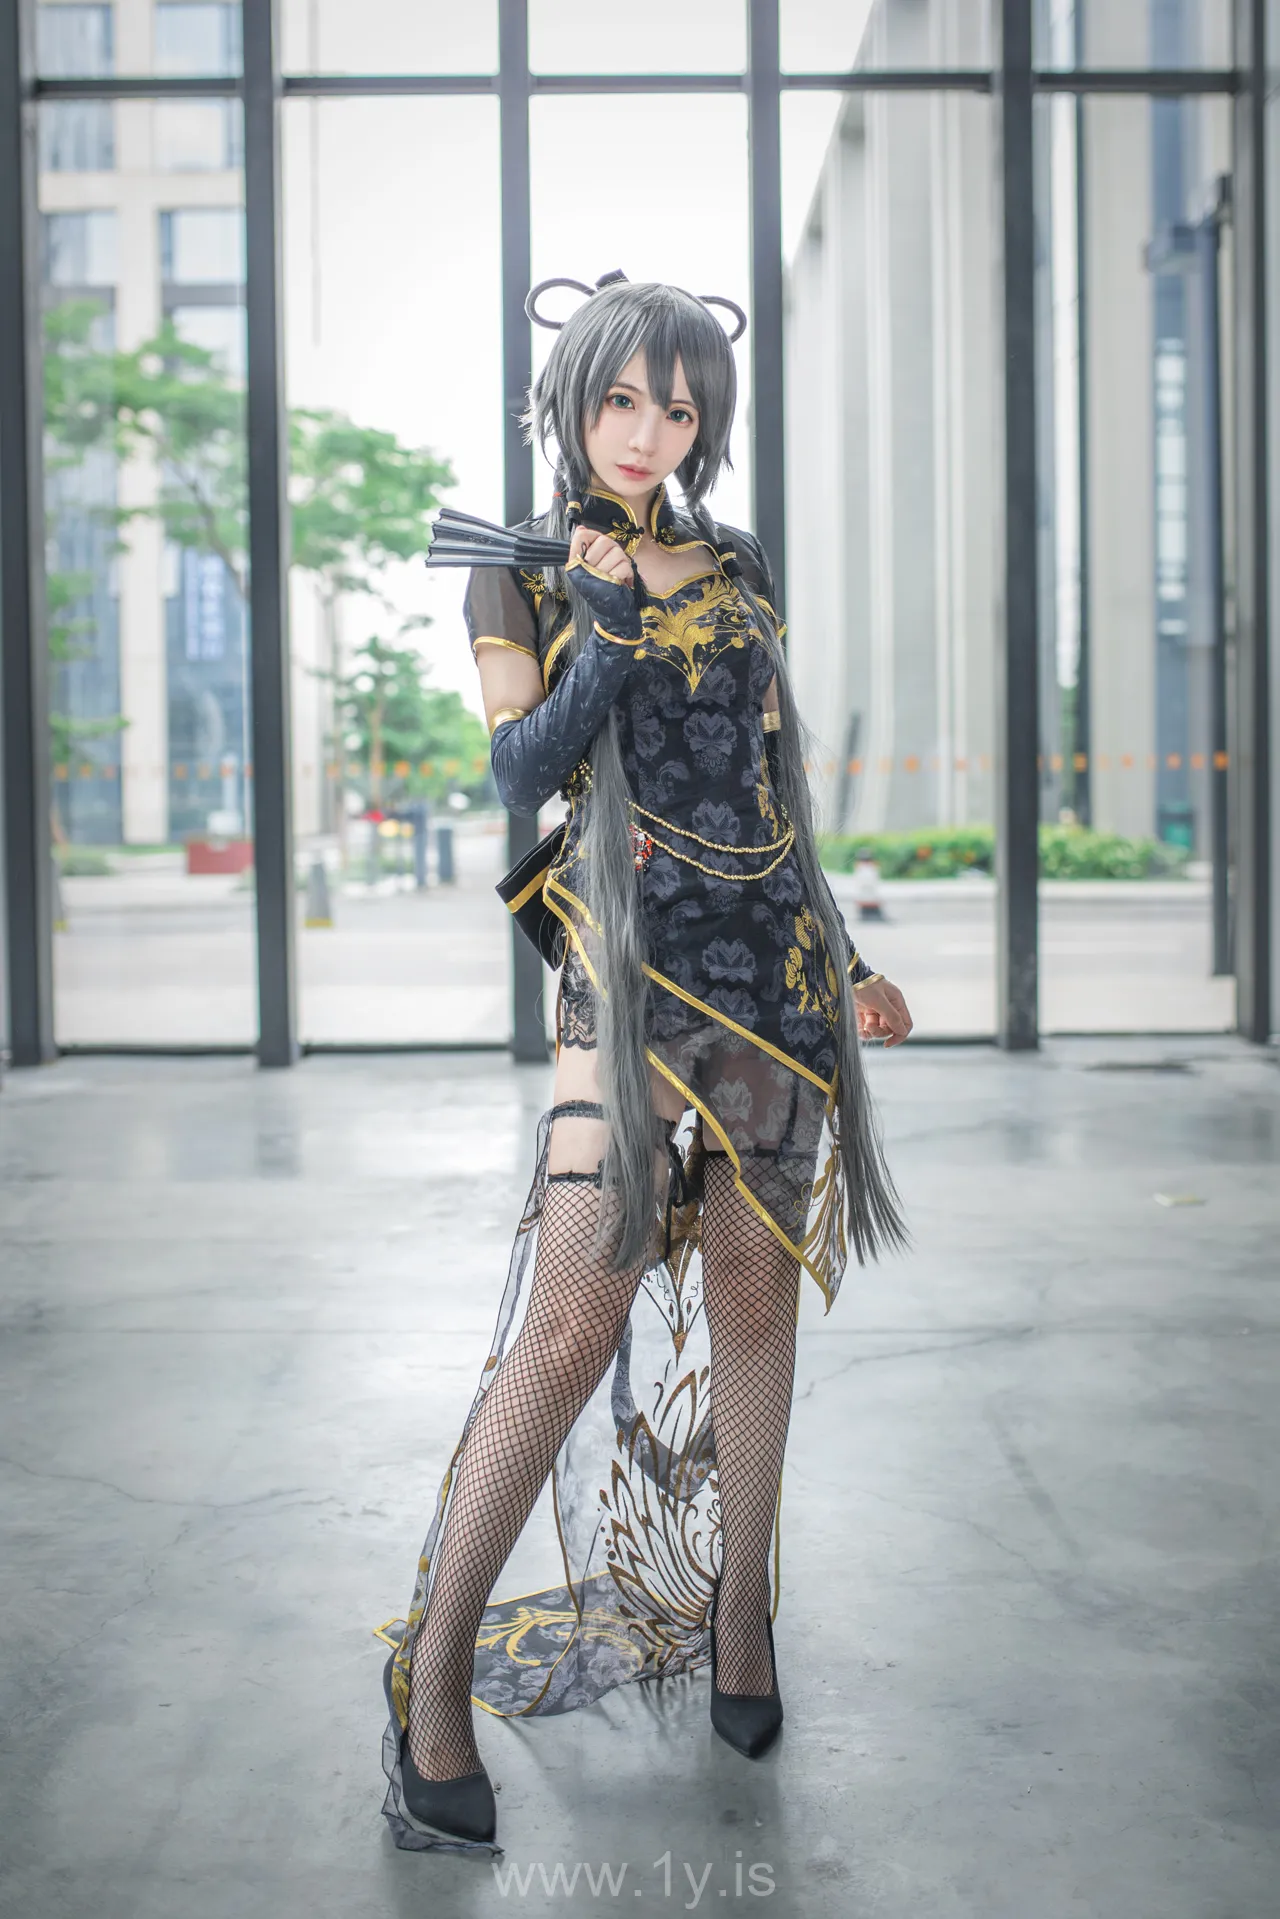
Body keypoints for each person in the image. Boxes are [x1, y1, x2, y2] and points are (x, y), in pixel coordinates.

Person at [376, 273, 913, 1854]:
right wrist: (603, 624)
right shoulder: (521, 568)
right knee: (569, 1320)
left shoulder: (737, 563)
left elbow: (773, 788)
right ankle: (434, 1679)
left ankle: (743, 1610)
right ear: (573, 399)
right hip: (626, 979)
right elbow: (521, 768)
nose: (646, 433)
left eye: (677, 409)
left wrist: (850, 960)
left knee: (754, 1293)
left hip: (776, 970)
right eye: (621, 401)